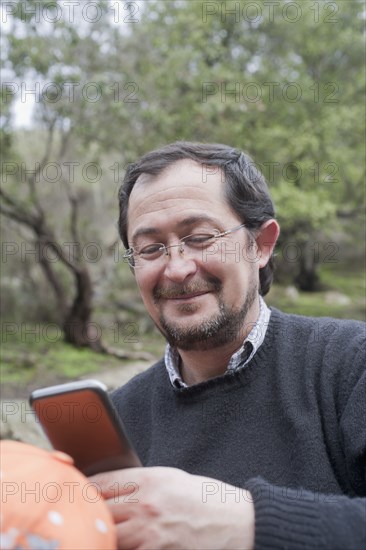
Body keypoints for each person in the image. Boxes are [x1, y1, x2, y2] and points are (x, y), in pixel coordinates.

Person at [92, 142, 365, 550]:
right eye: (150, 248)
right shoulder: (120, 417)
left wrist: (249, 524)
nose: (178, 268)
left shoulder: (348, 366)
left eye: (200, 237)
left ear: (261, 244)